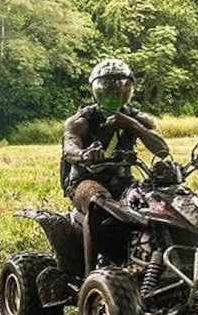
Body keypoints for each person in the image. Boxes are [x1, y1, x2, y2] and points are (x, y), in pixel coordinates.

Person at [62, 58, 170, 271]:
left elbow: (162, 150)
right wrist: (85, 155)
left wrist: (132, 125)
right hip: (85, 180)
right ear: (96, 91)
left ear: (128, 92)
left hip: (124, 181)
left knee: (158, 204)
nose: (112, 96)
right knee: (98, 202)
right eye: (107, 90)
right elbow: (69, 149)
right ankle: (90, 276)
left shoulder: (139, 119)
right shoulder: (81, 120)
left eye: (118, 90)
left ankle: (150, 265)